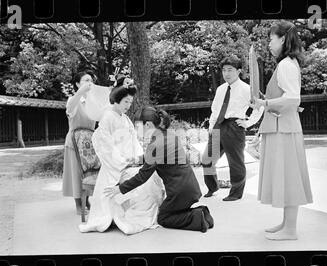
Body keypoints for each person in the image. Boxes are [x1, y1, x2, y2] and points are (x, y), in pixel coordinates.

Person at [104, 107, 214, 233]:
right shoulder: (167, 135)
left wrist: (119, 188)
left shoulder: (156, 144)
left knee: (163, 218)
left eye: (138, 126)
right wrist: (136, 159)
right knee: (171, 212)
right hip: (189, 187)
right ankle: (203, 213)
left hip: (180, 192)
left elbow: (142, 176)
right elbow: (156, 157)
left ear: (148, 124)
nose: (136, 130)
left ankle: (198, 217)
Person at [251, 21, 313, 240]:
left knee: (289, 177)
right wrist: (265, 103)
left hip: (284, 129)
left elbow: (293, 97)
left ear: (283, 39)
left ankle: (290, 229)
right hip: (283, 127)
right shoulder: (287, 63)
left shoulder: (287, 64)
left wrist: (265, 104)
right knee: (287, 176)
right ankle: (287, 224)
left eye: (271, 38)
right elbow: (289, 98)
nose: (269, 43)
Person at [79, 84, 165, 234]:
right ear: (116, 99)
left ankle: (149, 211)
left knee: (152, 176)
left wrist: (137, 159)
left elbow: (134, 142)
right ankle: (125, 215)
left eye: (130, 102)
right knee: (142, 180)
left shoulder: (125, 119)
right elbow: (107, 146)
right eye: (126, 101)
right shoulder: (107, 118)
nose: (128, 105)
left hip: (128, 162)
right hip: (114, 166)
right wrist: (124, 162)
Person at [202, 57, 263, 201]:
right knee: (207, 159)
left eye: (230, 70)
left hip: (234, 127)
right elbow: (215, 109)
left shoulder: (246, 89)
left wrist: (248, 123)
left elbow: (259, 107)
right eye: (224, 70)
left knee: (235, 162)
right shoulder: (221, 89)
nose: (226, 73)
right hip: (218, 125)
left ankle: (235, 193)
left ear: (239, 71)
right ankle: (213, 186)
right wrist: (211, 126)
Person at [62, 70, 96, 214]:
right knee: (76, 173)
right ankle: (78, 206)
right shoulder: (73, 100)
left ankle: (87, 202)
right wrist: (80, 92)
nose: (90, 83)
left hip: (89, 143)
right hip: (75, 142)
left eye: (91, 80)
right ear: (77, 84)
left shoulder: (93, 102)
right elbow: (70, 109)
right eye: (86, 80)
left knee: (89, 172)